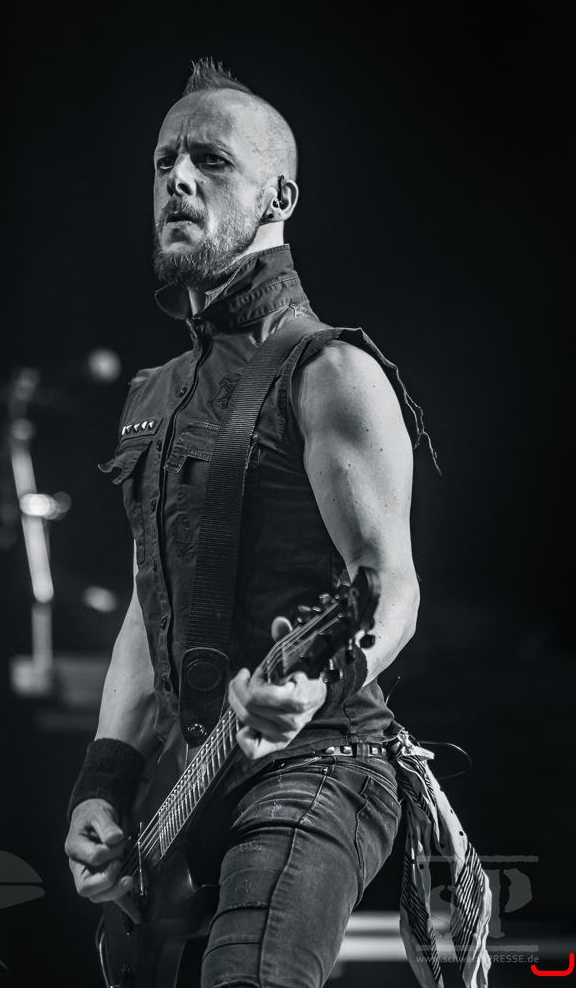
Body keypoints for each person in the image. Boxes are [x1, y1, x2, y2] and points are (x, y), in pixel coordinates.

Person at [65, 58, 428, 987]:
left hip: (321, 762)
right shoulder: (154, 396)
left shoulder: (330, 372)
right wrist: (103, 790)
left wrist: (318, 681)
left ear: (279, 196)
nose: (177, 180)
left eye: (211, 161)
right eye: (164, 163)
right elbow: (147, 616)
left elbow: (388, 588)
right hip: (190, 788)